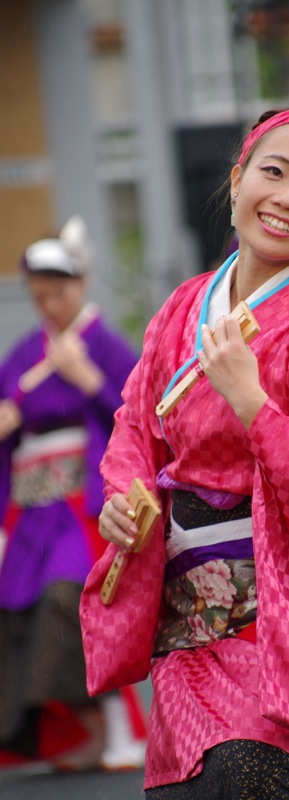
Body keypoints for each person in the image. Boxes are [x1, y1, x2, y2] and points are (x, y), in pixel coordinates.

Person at [82, 105, 289, 800]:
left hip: (266, 625)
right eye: (273, 172)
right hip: (183, 626)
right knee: (189, 785)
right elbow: (135, 420)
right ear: (238, 176)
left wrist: (254, 404)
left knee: (244, 774)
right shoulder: (184, 306)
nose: (286, 199)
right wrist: (123, 500)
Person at [0, 217, 145, 771]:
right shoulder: (21, 353)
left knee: (71, 603)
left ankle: (113, 727)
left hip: (83, 508)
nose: (50, 305)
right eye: (40, 297)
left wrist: (88, 381)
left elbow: (141, 419)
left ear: (81, 284)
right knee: (16, 611)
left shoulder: (105, 346)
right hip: (32, 509)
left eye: (58, 292)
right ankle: (76, 732)